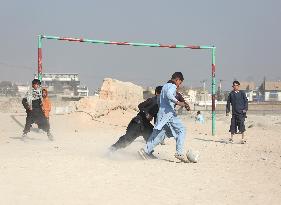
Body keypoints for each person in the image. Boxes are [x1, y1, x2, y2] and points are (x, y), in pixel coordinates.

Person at [138, 72, 190, 162]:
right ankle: (179, 152)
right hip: (169, 114)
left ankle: (145, 151)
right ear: (177, 79)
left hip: (162, 114)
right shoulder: (172, 86)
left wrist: (184, 104)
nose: (179, 85)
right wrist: (178, 102)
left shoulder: (165, 86)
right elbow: (170, 95)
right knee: (182, 129)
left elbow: (162, 99)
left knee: (161, 135)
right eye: (180, 83)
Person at [109, 86, 163, 151]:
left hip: (146, 125)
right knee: (127, 140)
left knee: (152, 138)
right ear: (157, 93)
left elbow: (156, 118)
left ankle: (147, 152)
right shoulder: (152, 100)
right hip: (138, 123)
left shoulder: (161, 104)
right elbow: (140, 106)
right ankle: (111, 150)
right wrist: (146, 113)